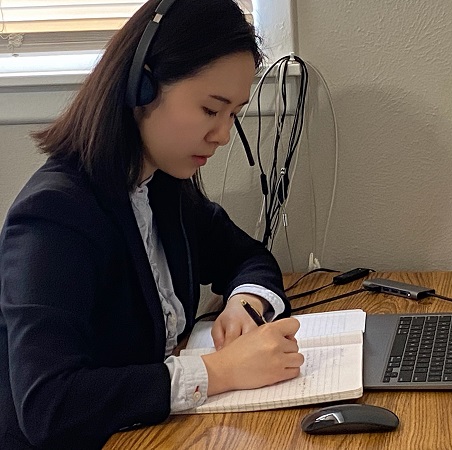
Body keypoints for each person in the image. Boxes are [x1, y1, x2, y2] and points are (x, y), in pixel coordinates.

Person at [0, 0, 304, 448]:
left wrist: (246, 304)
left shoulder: (161, 184)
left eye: (233, 114)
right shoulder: (54, 216)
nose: (222, 134)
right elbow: (49, 406)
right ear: (141, 86)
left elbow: (246, 256)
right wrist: (218, 371)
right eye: (210, 109)